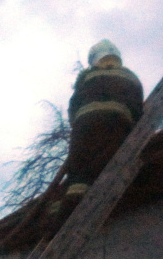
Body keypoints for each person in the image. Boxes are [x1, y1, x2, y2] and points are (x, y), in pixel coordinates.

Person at [53, 39, 144, 217]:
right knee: (102, 168)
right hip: (117, 127)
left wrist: (78, 126)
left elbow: (73, 107)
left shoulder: (86, 77)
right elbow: (138, 109)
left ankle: (62, 219)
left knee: (78, 175)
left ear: (94, 59)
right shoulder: (131, 77)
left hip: (84, 129)